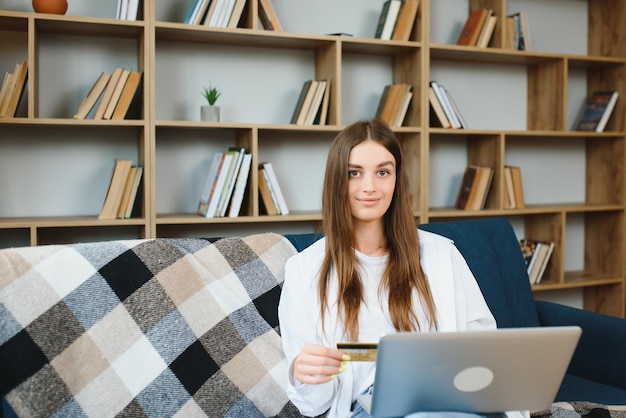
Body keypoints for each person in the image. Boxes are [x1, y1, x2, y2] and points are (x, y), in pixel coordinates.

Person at [278, 119, 528, 418]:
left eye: (383, 172)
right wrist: (305, 374)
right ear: (336, 181)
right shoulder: (304, 270)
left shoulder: (442, 254)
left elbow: (483, 347)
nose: (369, 187)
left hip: (443, 399)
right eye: (354, 173)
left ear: (397, 180)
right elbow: (312, 405)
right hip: (366, 407)